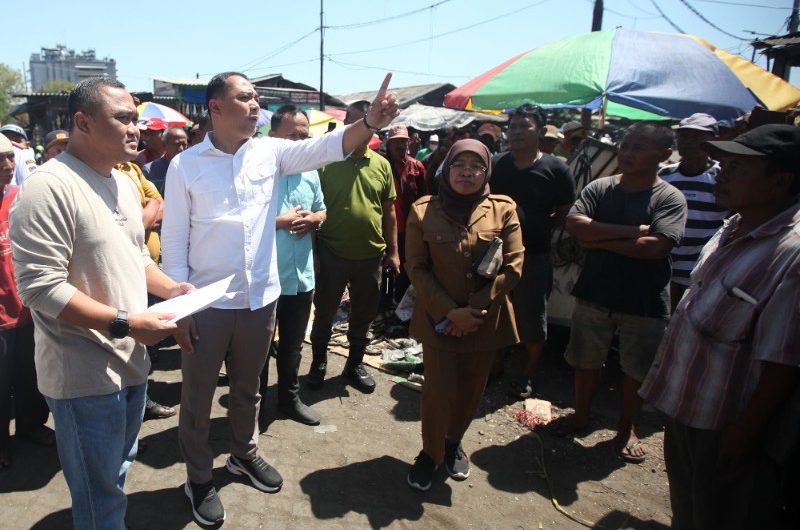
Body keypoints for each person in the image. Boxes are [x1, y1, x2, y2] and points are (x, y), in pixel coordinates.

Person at [161, 72, 398, 526]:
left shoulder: (270, 153)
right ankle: (197, 477)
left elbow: (327, 147)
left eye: (257, 99)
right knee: (197, 397)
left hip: (259, 299)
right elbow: (173, 242)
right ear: (215, 107)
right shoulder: (185, 165)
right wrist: (179, 309)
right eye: (245, 97)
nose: (255, 106)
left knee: (248, 390)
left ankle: (243, 456)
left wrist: (369, 121)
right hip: (206, 305)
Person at [9, 77, 192, 530]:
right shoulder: (47, 188)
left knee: (115, 474)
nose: (136, 128)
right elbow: (39, 288)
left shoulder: (124, 184)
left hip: (131, 361)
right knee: (99, 493)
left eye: (137, 118)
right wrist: (127, 323)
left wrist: (172, 290)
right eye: (124, 118)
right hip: (83, 376)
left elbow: (132, 256)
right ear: (82, 122)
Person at [639, 124, 800, 529]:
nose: (721, 173)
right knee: (689, 513)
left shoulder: (791, 254)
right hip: (687, 410)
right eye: (723, 163)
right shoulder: (735, 225)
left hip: (726, 426)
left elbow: (783, 363)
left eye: (737, 167)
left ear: (780, 182)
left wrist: (744, 434)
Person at [562, 122, 687, 463]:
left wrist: (597, 239)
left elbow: (656, 247)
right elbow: (574, 226)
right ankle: (581, 415)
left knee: (636, 369)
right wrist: (631, 232)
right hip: (595, 291)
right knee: (586, 359)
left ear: (663, 155)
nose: (628, 153)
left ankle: (625, 428)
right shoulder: (601, 188)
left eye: (639, 147)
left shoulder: (669, 198)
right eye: (625, 145)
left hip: (643, 300)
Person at [404, 139, 523, 490]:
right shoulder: (423, 210)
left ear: (487, 171)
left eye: (477, 166)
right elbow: (417, 267)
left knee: (472, 389)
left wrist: (473, 310)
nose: (467, 172)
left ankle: (454, 443)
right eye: (460, 165)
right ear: (447, 168)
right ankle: (430, 454)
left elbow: (514, 266)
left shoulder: (504, 209)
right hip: (438, 320)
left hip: (485, 320)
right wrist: (451, 312)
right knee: (437, 392)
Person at [307, 100, 399, 395]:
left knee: (364, 313)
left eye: (368, 122)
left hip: (370, 255)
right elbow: (311, 209)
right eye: (358, 121)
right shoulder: (326, 161)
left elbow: (390, 212)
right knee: (324, 313)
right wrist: (314, 252)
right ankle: (319, 362)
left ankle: (354, 364)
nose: (362, 128)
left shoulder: (382, 164)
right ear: (347, 124)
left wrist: (394, 251)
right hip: (331, 252)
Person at [490, 104, 576, 399]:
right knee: (496, 309)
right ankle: (494, 365)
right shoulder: (497, 163)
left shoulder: (556, 168)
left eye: (523, 126)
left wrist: (545, 227)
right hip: (496, 254)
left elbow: (566, 208)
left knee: (532, 315)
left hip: (535, 254)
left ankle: (528, 372)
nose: (515, 132)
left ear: (540, 131)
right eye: (512, 126)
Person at [258, 105, 326, 427]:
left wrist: (314, 219)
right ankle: (254, 408)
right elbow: (239, 222)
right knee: (258, 349)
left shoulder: (311, 171)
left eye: (305, 136)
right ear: (273, 136)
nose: (301, 143)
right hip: (267, 276)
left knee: (293, 346)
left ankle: (288, 398)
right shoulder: (256, 171)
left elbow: (322, 210)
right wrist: (277, 222)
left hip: (302, 276)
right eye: (293, 136)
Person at [0, 134, 53, 470]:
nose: (7, 165)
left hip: (28, 310)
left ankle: (31, 427)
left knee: (32, 376)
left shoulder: (20, 199)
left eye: (9, 157)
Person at [658, 113, 729, 311]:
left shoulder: (722, 177)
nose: (687, 142)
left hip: (702, 271)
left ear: (713, 141)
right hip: (663, 269)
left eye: (696, 136)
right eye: (683, 136)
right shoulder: (665, 175)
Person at [384, 123, 428, 303]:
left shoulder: (416, 166)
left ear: (408, 143)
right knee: (386, 264)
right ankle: (385, 301)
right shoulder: (383, 164)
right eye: (396, 142)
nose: (400, 145)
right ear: (389, 144)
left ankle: (402, 302)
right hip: (386, 225)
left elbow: (425, 197)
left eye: (403, 141)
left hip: (410, 226)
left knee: (407, 264)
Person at [142, 126, 188, 195]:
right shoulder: (149, 170)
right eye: (177, 144)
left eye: (184, 145)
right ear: (164, 145)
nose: (181, 149)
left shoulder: (191, 168)